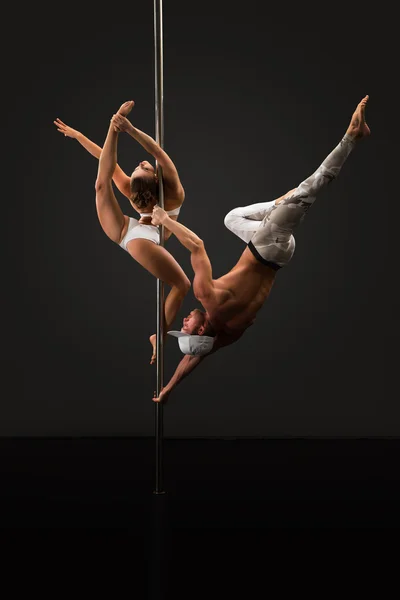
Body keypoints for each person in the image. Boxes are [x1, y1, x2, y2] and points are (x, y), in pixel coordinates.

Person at [150, 95, 371, 403]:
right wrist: (163, 219)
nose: (184, 320)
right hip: (268, 243)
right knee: (313, 186)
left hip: (279, 257)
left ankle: (283, 203)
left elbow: (194, 359)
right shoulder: (207, 296)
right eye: (186, 327)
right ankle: (352, 136)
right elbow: (196, 245)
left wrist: (170, 389)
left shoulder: (229, 333)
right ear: (201, 332)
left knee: (232, 218)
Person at [54, 101, 190, 364]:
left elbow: (141, 156)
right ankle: (159, 336)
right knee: (101, 185)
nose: (142, 162)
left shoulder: (155, 188)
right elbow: (126, 160)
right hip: (137, 234)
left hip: (135, 235)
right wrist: (90, 134)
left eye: (142, 166)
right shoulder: (153, 190)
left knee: (101, 186)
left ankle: (158, 336)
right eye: (143, 166)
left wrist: (125, 128)